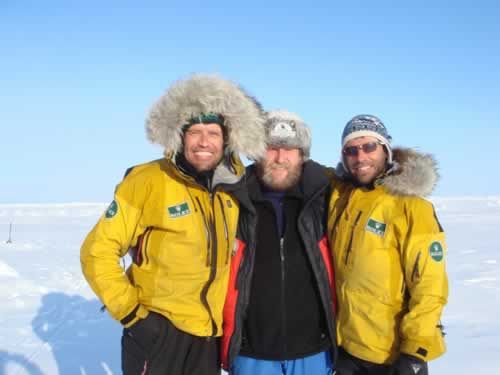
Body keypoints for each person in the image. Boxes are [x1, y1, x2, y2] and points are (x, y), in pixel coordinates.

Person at [80, 74, 266, 375]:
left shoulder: (231, 189)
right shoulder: (147, 180)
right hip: (157, 333)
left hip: (208, 336)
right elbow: (96, 251)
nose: (204, 142)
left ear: (227, 140)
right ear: (179, 136)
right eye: (194, 132)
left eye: (213, 133)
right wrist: (133, 316)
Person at [328, 115, 449, 375]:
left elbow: (430, 286)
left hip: (393, 358)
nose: (360, 157)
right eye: (351, 150)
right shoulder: (340, 197)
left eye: (369, 146)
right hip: (347, 351)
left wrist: (415, 352)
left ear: (386, 150)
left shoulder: (411, 207)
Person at [221, 110, 337, 375]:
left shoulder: (325, 196)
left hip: (314, 350)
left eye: (290, 149)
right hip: (253, 353)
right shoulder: (234, 198)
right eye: (271, 148)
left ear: (302, 154)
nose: (280, 158)